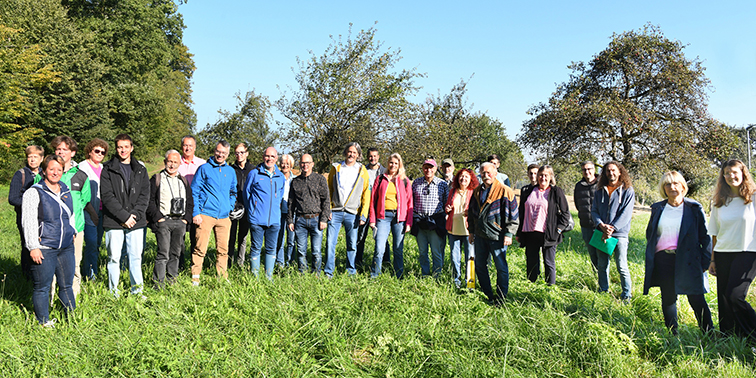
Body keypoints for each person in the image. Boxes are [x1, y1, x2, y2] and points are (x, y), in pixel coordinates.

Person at [643, 171, 713, 335]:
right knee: (668, 299)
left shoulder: (694, 208)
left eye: (675, 183)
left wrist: (705, 262)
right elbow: (650, 233)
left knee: (696, 298)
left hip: (689, 260)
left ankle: (709, 333)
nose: (672, 187)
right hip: (664, 260)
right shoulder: (658, 208)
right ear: (663, 188)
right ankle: (672, 335)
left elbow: (706, 236)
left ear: (682, 186)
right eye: (667, 184)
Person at [22, 155, 77, 326]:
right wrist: (33, 246)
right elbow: (28, 221)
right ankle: (43, 322)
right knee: (42, 287)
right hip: (44, 246)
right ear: (44, 170)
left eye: (59, 169)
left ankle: (71, 319)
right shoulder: (34, 192)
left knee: (66, 285)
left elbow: (70, 214)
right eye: (51, 169)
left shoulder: (65, 189)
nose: (55, 172)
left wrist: (72, 231)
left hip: (66, 246)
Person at [708, 159, 756, 340]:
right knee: (724, 299)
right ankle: (729, 337)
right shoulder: (719, 201)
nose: (730, 176)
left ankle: (752, 333)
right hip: (722, 253)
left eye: (734, 172)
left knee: (735, 295)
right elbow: (715, 232)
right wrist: (712, 260)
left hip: (748, 252)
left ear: (743, 173)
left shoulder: (753, 198)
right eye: (726, 173)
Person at [100, 134, 150, 297]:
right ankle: (114, 292)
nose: (123, 150)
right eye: (120, 147)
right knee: (114, 257)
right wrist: (124, 217)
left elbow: (144, 195)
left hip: (136, 220)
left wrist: (134, 215)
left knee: (135, 257)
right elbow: (107, 196)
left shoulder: (141, 169)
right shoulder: (107, 169)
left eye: (126, 146)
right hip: (114, 221)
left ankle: (137, 291)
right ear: (116, 148)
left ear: (131, 148)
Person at [47, 136, 94, 298]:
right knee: (51, 268)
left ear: (73, 153)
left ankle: (72, 304)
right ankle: (49, 303)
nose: (60, 152)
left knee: (74, 266)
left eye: (64, 149)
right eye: (58, 149)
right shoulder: (45, 174)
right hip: (50, 231)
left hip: (75, 230)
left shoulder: (81, 176)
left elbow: (84, 201)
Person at [468, 162, 519, 303]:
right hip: (480, 236)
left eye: (488, 172)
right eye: (483, 173)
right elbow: (472, 215)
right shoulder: (477, 191)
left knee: (501, 267)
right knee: (479, 265)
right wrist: (471, 232)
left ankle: (501, 297)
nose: (486, 175)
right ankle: (488, 294)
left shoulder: (505, 191)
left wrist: (509, 234)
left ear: (495, 173)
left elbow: (513, 216)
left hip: (498, 236)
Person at [191, 140, 237, 286]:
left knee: (223, 249)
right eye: (218, 151)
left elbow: (233, 191)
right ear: (214, 151)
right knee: (200, 248)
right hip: (206, 214)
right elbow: (194, 190)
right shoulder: (204, 168)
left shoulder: (230, 171)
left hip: (224, 217)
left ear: (228, 154)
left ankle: (222, 276)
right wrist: (196, 212)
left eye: (223, 153)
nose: (220, 155)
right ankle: (195, 276)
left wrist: (229, 207)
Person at [516, 165, 571, 286]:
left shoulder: (556, 191)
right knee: (531, 262)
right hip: (530, 232)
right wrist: (519, 232)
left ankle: (549, 288)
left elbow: (565, 213)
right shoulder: (529, 191)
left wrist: (558, 229)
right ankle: (532, 286)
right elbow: (521, 212)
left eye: (546, 175)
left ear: (551, 177)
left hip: (549, 233)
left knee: (549, 262)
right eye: (541, 175)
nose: (543, 178)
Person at [147, 150, 193, 289]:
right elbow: (149, 201)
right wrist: (158, 218)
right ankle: (158, 284)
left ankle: (172, 280)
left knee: (176, 253)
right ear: (165, 162)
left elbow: (190, 202)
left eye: (175, 162)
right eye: (170, 161)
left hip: (180, 222)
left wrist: (186, 220)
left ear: (179, 164)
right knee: (163, 254)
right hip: (164, 221)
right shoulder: (157, 178)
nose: (172, 165)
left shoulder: (183, 180)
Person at [325, 142, 371, 277]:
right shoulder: (336, 167)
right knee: (330, 242)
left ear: (358, 155)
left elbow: (366, 194)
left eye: (354, 153)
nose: (351, 154)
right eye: (349, 151)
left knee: (352, 244)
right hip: (335, 211)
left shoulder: (362, 170)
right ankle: (329, 271)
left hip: (353, 213)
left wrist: (364, 214)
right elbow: (329, 190)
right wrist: (328, 209)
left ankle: (351, 270)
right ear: (345, 152)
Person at [591, 161, 634, 301]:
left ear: (620, 172)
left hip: (619, 235)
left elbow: (626, 214)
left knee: (622, 266)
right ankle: (603, 290)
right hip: (602, 233)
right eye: (608, 171)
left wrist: (613, 228)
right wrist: (601, 225)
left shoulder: (628, 190)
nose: (611, 173)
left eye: (614, 170)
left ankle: (626, 295)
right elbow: (594, 211)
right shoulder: (599, 191)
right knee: (602, 265)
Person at [369, 153, 413, 278]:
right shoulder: (380, 179)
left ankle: (399, 275)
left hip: (399, 218)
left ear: (399, 165)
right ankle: (375, 274)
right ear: (387, 163)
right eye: (391, 162)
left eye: (396, 163)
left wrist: (409, 222)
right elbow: (373, 200)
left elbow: (410, 202)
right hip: (383, 217)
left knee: (398, 249)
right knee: (379, 248)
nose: (393, 165)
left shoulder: (404, 180)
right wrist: (372, 219)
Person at [245, 147, 284, 279]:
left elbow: (280, 195)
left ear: (276, 158)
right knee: (255, 248)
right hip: (257, 219)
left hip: (274, 220)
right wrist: (252, 210)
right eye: (267, 156)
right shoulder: (254, 174)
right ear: (263, 157)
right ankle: (255, 277)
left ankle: (269, 277)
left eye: (272, 156)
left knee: (271, 249)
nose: (269, 159)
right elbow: (247, 193)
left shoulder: (280, 176)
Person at [288, 154, 330, 273]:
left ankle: (316, 274)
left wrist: (324, 219)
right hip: (300, 220)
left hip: (316, 219)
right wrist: (290, 220)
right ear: (300, 164)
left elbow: (326, 200)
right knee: (301, 251)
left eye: (307, 163)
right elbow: (291, 203)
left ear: (312, 164)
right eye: (302, 163)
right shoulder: (295, 181)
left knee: (316, 251)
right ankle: (303, 274)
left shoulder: (320, 179)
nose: (305, 165)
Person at [9, 145, 43, 280]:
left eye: (35, 157)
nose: (32, 160)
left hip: (42, 217)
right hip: (24, 216)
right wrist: (30, 205)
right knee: (27, 244)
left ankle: (40, 272)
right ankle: (27, 275)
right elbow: (13, 198)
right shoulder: (21, 174)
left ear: (41, 159)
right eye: (30, 157)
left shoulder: (45, 173)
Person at [411, 159, 449, 278]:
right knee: (422, 251)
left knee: (436, 251)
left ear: (435, 169)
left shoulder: (442, 184)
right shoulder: (416, 183)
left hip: (435, 221)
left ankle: (437, 275)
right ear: (423, 169)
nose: (428, 170)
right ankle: (425, 274)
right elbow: (411, 201)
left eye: (431, 167)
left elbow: (446, 203)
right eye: (426, 167)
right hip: (420, 221)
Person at [78, 139, 108, 280]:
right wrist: (92, 213)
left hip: (103, 211)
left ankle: (90, 269)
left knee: (96, 244)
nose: (100, 154)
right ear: (89, 151)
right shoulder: (82, 167)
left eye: (103, 152)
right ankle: (90, 275)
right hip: (89, 211)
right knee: (90, 243)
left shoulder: (103, 167)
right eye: (97, 151)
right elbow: (82, 194)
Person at [444, 168, 478, 287]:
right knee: (454, 258)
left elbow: (477, 210)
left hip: (469, 230)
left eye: (466, 177)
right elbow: (447, 207)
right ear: (457, 178)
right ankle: (456, 281)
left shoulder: (473, 192)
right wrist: (447, 210)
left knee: (470, 258)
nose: (463, 179)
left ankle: (470, 283)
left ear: (471, 180)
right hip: (453, 229)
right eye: (461, 176)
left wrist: (471, 212)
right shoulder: (453, 191)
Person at [356, 147, 387, 271]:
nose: (372, 158)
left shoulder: (384, 171)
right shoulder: (362, 170)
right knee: (360, 237)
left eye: (375, 156)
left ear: (378, 157)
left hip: (378, 209)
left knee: (381, 237)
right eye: (370, 156)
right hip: (364, 208)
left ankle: (386, 262)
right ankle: (358, 262)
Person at [178, 135, 206, 270]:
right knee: (179, 238)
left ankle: (195, 266)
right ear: (182, 147)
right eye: (185, 145)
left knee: (196, 238)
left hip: (196, 207)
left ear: (195, 147)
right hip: (179, 207)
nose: (187, 148)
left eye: (190, 145)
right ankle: (180, 265)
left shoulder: (202, 164)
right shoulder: (176, 162)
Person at [229, 143, 253, 268]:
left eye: (242, 152)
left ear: (247, 153)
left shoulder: (253, 170)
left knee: (243, 237)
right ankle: (229, 261)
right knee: (231, 235)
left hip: (247, 207)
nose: (239, 155)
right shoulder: (231, 169)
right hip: (233, 207)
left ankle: (240, 263)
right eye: (237, 153)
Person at [574, 161, 599, 273]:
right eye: (584, 169)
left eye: (589, 169)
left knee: (602, 255)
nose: (587, 171)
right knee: (592, 254)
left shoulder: (601, 184)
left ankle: (604, 282)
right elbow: (577, 204)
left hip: (600, 226)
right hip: (586, 225)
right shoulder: (578, 186)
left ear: (594, 170)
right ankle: (595, 277)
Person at [276, 153, 297, 267]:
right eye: (283, 163)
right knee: (280, 239)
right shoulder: (276, 177)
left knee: (291, 239)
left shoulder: (295, 179)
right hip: (279, 212)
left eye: (287, 164)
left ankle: (290, 262)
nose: (285, 166)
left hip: (291, 213)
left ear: (291, 165)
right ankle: (280, 263)